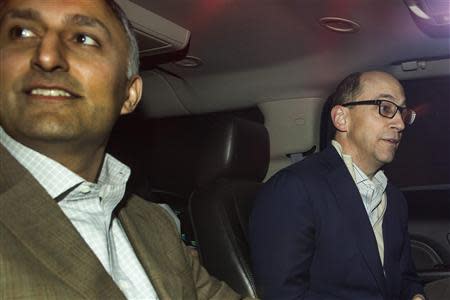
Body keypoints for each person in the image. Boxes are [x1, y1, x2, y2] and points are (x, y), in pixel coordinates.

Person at [0, 0, 248, 299]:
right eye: (21, 33)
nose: (47, 55)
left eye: (83, 38)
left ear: (129, 94)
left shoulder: (154, 223)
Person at [249, 71, 426, 299]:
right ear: (342, 118)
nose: (400, 123)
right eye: (385, 107)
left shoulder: (393, 198)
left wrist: (416, 296)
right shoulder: (294, 189)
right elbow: (283, 295)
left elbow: (406, 277)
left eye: (402, 112)